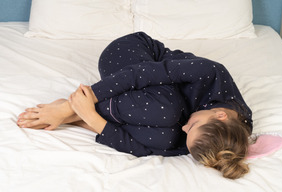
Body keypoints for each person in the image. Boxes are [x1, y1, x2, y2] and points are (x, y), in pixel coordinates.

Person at [17, 32, 253, 179]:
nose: (185, 128)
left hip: (149, 103)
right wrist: (67, 108)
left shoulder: (225, 140)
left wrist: (94, 120)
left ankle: (82, 116)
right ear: (221, 115)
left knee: (166, 138)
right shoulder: (211, 73)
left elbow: (147, 150)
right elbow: (139, 75)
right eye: (193, 126)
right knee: (168, 109)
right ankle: (70, 109)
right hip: (134, 56)